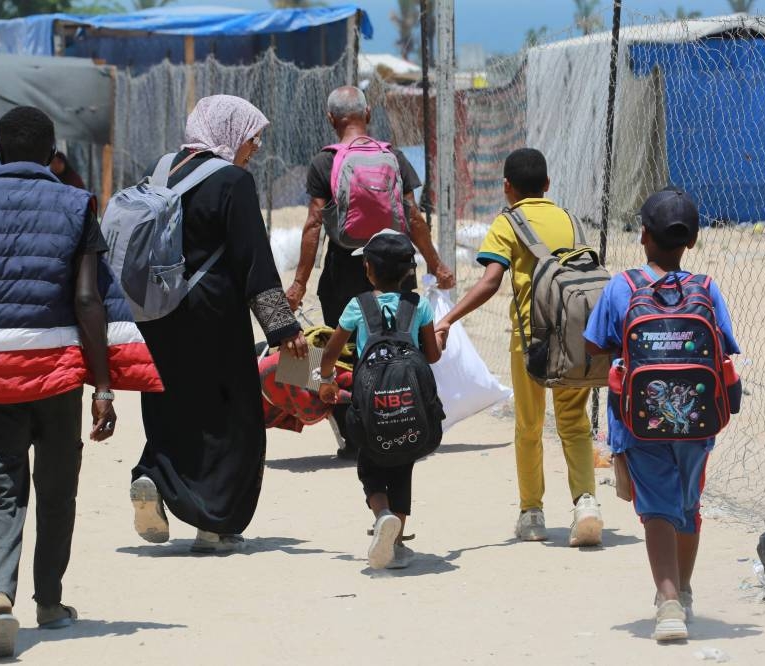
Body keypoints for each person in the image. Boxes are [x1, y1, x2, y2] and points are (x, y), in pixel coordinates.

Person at [0, 106, 161, 661]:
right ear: (53, 154)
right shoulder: (77, 203)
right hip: (54, 376)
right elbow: (88, 300)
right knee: (55, 490)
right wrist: (102, 387)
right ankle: (49, 602)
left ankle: (0, 596)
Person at [129, 95, 308, 553]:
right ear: (228, 132)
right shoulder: (232, 181)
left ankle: (153, 477)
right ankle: (214, 523)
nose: (257, 145)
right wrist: (283, 329)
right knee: (231, 415)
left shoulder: (160, 169)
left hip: (158, 313)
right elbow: (254, 264)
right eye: (251, 135)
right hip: (213, 316)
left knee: (170, 403)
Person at [584, 188, 740, 642]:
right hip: (698, 421)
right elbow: (724, 345)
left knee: (656, 509)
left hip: (639, 421)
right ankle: (685, 592)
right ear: (690, 242)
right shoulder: (706, 289)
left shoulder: (622, 287)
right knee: (688, 507)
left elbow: (595, 343)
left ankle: (667, 602)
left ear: (643, 236)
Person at [434, 148, 604, 547]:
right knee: (575, 422)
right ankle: (586, 503)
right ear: (547, 186)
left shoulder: (508, 223)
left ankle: (532, 514)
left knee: (529, 424)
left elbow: (491, 281)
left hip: (533, 340)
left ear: (506, 188)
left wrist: (447, 318)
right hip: (577, 334)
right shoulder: (568, 219)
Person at [286, 85, 454, 456]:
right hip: (396, 267)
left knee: (343, 352)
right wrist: (436, 263)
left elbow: (314, 223)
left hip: (343, 271)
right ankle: (405, 422)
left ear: (331, 119)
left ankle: (355, 435)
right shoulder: (392, 156)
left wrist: (299, 282)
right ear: (370, 113)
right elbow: (413, 216)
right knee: (400, 345)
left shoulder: (324, 162)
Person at [317, 230, 442, 570]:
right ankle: (397, 545)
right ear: (407, 272)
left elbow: (329, 352)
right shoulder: (419, 306)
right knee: (402, 468)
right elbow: (431, 356)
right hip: (408, 411)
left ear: (368, 268)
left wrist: (325, 380)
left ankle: (382, 513)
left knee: (369, 466)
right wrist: (436, 337)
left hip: (370, 413)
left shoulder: (358, 306)